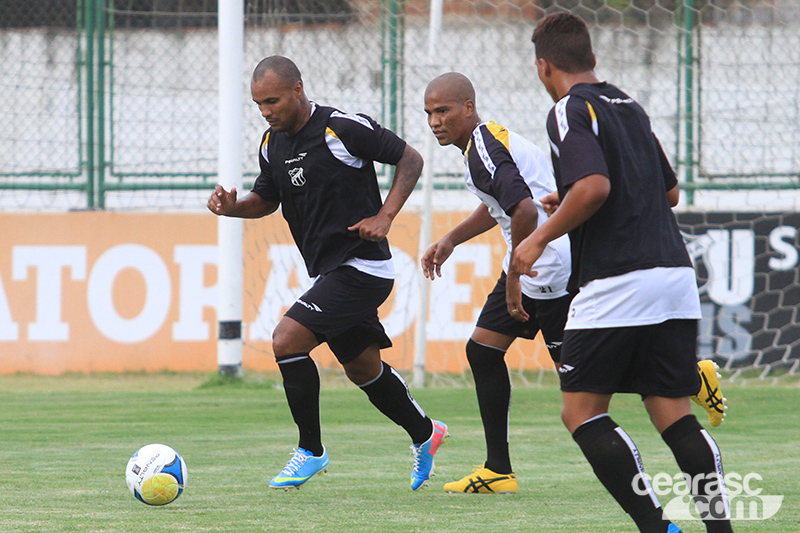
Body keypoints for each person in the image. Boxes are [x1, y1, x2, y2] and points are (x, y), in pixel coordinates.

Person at [509, 13, 733, 532]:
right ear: (592, 58)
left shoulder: (568, 109)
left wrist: (538, 238)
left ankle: (657, 527)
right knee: (672, 411)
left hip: (616, 281)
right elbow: (670, 192)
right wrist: (568, 196)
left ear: (544, 67)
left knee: (582, 412)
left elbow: (594, 188)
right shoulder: (628, 105)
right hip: (674, 277)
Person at [208, 55, 447, 492]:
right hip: (330, 272)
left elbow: (410, 159)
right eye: (259, 103)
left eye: (273, 101)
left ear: (298, 90)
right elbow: (266, 199)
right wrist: (233, 209)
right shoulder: (270, 143)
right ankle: (425, 432)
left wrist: (385, 215)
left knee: (286, 339)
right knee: (362, 369)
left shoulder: (341, 127)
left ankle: (311, 450)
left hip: (364, 267)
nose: (265, 111)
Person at [421, 72, 573, 494]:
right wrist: (451, 238)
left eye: (443, 110)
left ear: (468, 107)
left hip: (546, 264)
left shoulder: (483, 148)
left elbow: (523, 209)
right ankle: (498, 470)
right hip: (535, 257)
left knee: (580, 377)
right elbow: (499, 206)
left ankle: (687, 377)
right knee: (484, 351)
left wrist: (513, 278)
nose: (435, 121)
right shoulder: (484, 144)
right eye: (429, 113)